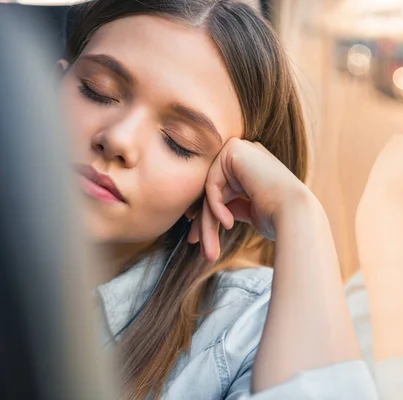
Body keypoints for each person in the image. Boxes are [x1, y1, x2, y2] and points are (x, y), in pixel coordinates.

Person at [56, 0, 377, 399]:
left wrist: (300, 214)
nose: (118, 139)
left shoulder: (244, 326)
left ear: (217, 188)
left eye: (179, 143)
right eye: (98, 92)